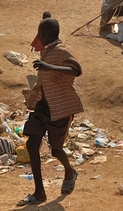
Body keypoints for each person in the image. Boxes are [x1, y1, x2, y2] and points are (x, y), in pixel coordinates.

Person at [18, 18, 82, 206]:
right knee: (32, 144)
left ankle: (69, 171)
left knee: (56, 150)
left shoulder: (60, 52)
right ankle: (39, 193)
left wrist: (49, 67)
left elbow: (77, 70)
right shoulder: (46, 51)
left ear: (44, 35)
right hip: (42, 107)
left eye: (39, 34)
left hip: (60, 109)